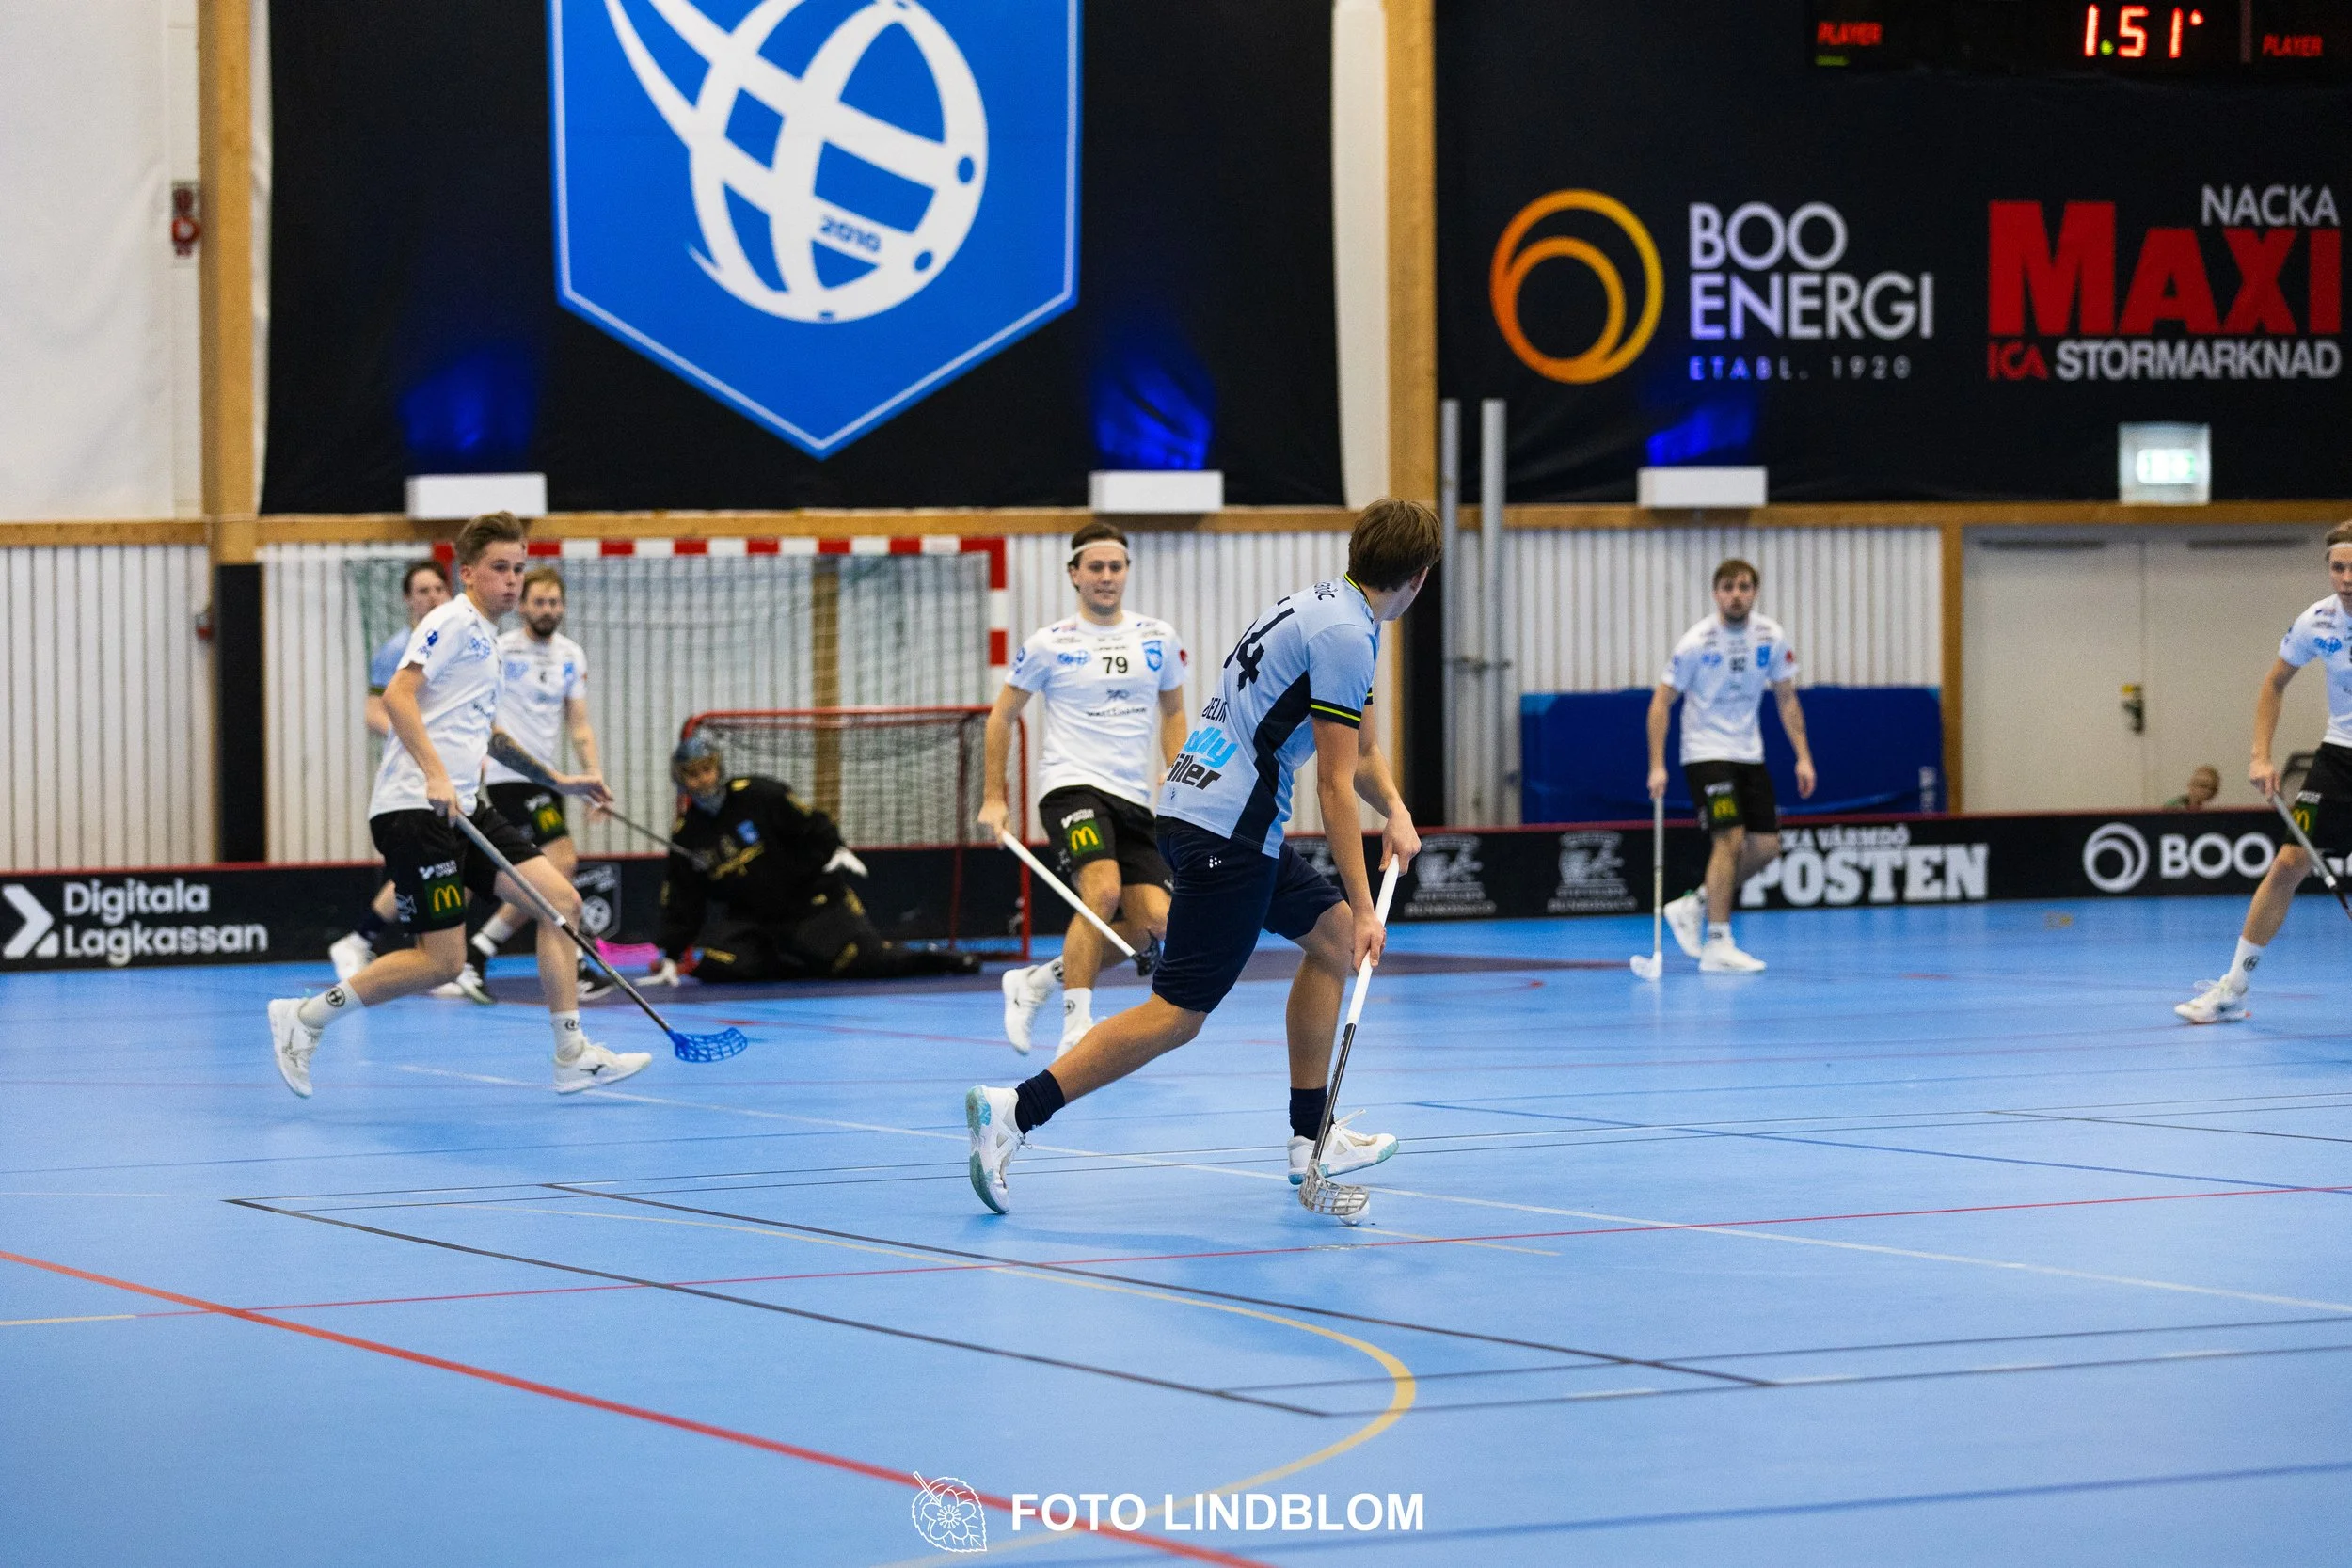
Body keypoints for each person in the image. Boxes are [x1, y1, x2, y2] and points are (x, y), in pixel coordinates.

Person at [962, 498, 1440, 1216]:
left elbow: (1365, 752)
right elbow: (1336, 788)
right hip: (1231, 829)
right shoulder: (1348, 634)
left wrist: (1398, 811)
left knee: (1333, 940)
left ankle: (1312, 1137)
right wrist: (1370, 902)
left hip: (1215, 813)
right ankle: (1016, 1111)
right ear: (1421, 575)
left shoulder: (1328, 608)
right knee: (1177, 1014)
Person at [266, 512, 644, 1099]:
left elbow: (489, 736)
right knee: (441, 962)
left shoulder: (489, 642)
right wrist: (436, 774)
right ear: (467, 572)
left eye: (519, 568)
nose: (513, 581)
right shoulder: (452, 620)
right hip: (415, 811)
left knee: (561, 901)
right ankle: (307, 1017)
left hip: (465, 809)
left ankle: (571, 1053)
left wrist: (560, 780)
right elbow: (397, 695)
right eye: (500, 568)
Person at [981, 522, 1188, 1056]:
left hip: (1133, 797)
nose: (1105, 577)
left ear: (1126, 573)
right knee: (1102, 891)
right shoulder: (1049, 644)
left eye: (1114, 567)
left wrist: (1180, 768)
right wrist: (994, 796)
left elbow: (1173, 711)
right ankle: (1077, 1023)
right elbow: (1002, 716)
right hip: (1070, 786)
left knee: (1152, 925)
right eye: (1094, 568)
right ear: (1074, 575)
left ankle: (1038, 982)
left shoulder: (1157, 638)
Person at [2176, 522, 2352, 1024]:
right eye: (2337, 567)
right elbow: (2274, 683)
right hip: (2340, 758)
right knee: (2288, 864)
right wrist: (2260, 754)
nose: (2345, 578)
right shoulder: (2316, 621)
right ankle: (2233, 986)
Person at [651, 736, 983, 983]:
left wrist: (835, 847)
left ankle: (937, 958)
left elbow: (813, 824)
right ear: (680, 780)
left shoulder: (761, 795)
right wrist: (671, 954)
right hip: (755, 922)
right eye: (692, 774)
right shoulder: (687, 835)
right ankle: (800, 959)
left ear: (718, 768)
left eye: (707, 769)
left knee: (868, 963)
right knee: (718, 967)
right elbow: (683, 896)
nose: (702, 780)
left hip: (812, 905)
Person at [1647, 558, 1816, 974]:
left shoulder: (1771, 636)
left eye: (1743, 586)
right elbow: (1660, 703)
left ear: (1754, 591)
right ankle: (1718, 942)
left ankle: (1696, 904)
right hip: (1705, 754)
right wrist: (1657, 765)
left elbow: (1786, 698)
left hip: (1749, 754)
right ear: (1715, 593)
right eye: (1727, 587)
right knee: (1730, 839)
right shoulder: (1696, 643)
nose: (1736, 594)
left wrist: (1803, 756)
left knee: (1766, 846)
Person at [469, 566, 612, 1002]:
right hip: (510, 776)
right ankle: (580, 962)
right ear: (524, 606)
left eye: (554, 602)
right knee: (562, 861)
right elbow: (484, 712)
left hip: (551, 779)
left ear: (563, 606)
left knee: (548, 873)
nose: (547, 610)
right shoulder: (502, 649)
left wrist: (594, 777)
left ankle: (479, 949)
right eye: (539, 602)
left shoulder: (572, 654)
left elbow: (579, 725)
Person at [327, 560, 451, 985]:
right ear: (407, 599)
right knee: (434, 865)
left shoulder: (458, 642)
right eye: (422, 590)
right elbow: (373, 710)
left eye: (438, 588)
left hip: (450, 773)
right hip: (414, 776)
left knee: (439, 865)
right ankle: (441, 958)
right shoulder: (397, 648)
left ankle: (366, 938)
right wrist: (415, 740)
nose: (432, 597)